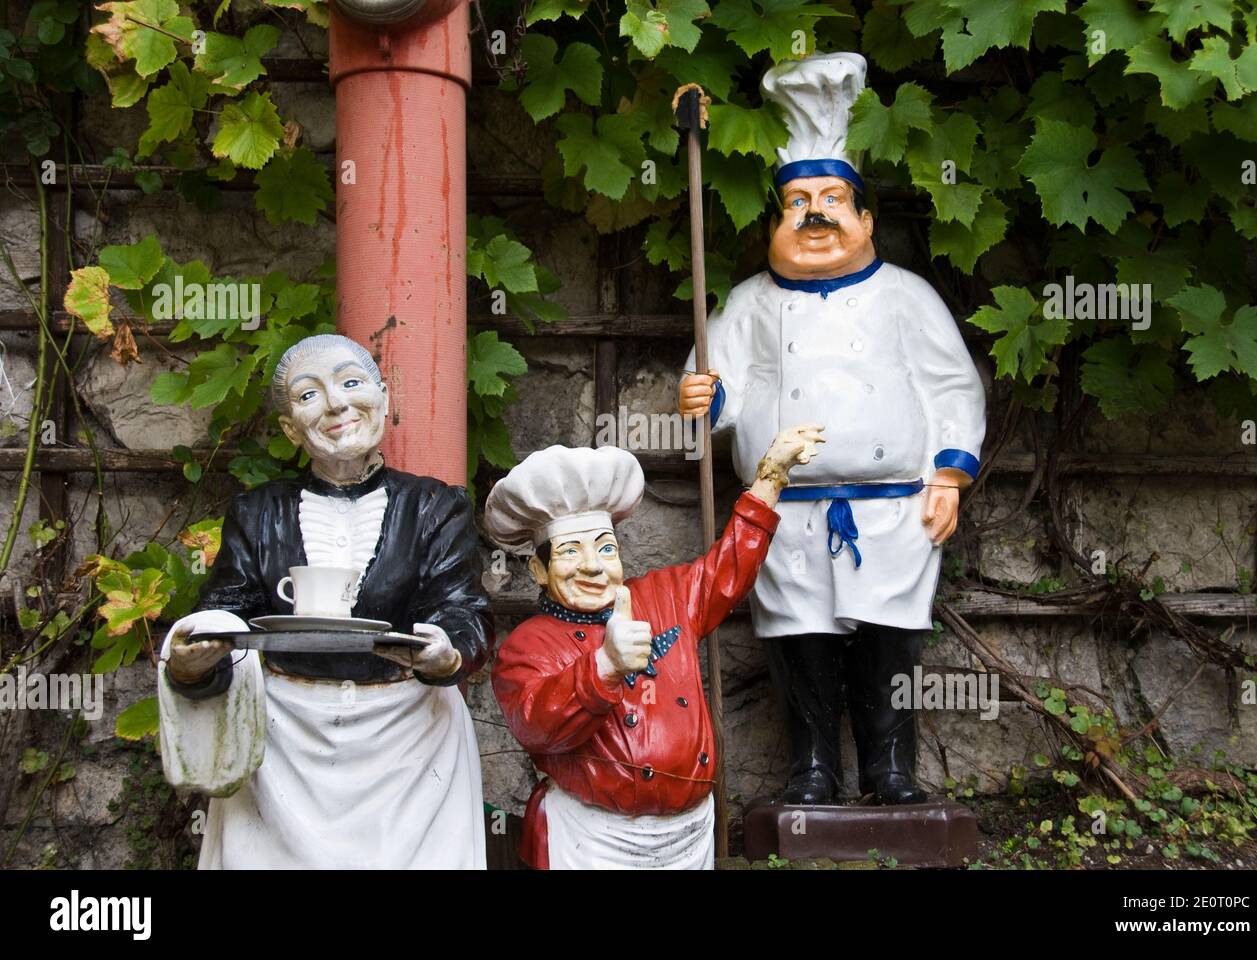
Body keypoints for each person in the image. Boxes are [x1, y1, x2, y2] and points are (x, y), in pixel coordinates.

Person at [678, 52, 987, 806]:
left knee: (890, 642)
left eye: (833, 199)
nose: (815, 214)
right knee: (799, 642)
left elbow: (952, 384)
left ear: (865, 218)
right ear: (778, 219)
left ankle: (891, 770)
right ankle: (810, 768)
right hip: (784, 515)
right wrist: (703, 395)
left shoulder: (905, 296)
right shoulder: (750, 303)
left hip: (892, 510)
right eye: (798, 202)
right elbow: (721, 390)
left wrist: (948, 474)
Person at [157, 334, 491, 868]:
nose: (336, 404)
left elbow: (462, 607)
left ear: (382, 397)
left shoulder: (435, 506)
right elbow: (227, 609)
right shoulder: (257, 512)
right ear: (291, 428)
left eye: (351, 383)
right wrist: (193, 663)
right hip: (286, 741)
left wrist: (446, 651)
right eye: (309, 395)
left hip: (408, 742)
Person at [487, 425, 823, 868]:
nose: (593, 566)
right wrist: (603, 667)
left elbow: (730, 568)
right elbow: (536, 724)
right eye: (570, 551)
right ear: (538, 570)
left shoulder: (665, 596)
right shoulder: (526, 646)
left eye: (605, 548)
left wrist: (772, 475)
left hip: (687, 834)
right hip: (590, 837)